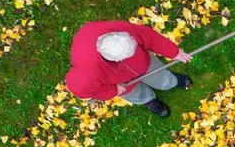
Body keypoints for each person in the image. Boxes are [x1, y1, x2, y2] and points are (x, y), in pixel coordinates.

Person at [65, 20, 194, 118]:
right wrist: (113, 90)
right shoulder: (87, 69)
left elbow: (149, 37)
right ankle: (148, 100)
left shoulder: (121, 29)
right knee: (135, 93)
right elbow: (83, 89)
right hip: (120, 83)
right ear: (114, 59)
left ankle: (170, 81)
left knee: (160, 78)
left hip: (144, 63)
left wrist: (173, 52)